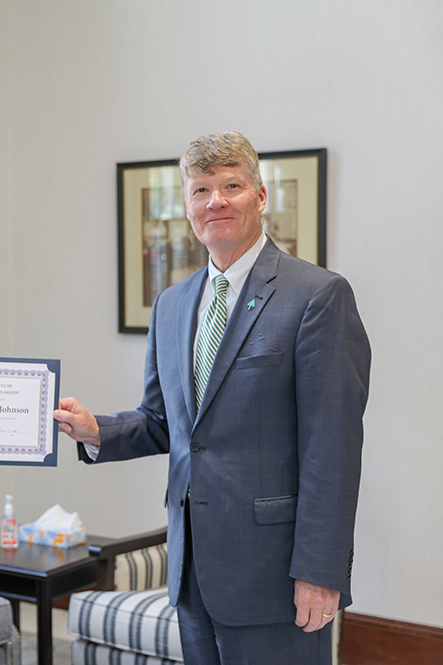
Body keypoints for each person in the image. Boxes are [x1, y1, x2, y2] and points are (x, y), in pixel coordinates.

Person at [55, 132, 370, 665]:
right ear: (187, 205)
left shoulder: (317, 296)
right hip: (193, 570)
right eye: (201, 190)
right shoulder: (172, 306)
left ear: (260, 196)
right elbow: (165, 422)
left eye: (231, 186)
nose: (215, 201)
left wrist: (320, 571)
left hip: (275, 572)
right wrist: (96, 431)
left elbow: (333, 449)